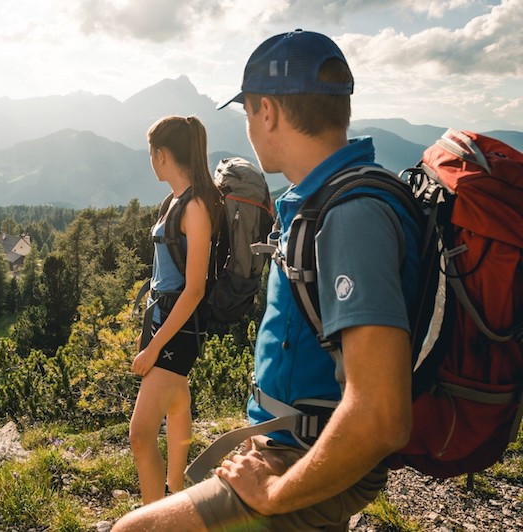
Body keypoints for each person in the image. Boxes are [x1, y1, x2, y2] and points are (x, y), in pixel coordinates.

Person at [114, 29, 421, 531]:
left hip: (300, 456)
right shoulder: (317, 202)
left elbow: (382, 415)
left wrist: (276, 492)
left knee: (133, 529)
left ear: (268, 112)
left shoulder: (349, 216)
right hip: (290, 442)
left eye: (248, 113)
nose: (250, 128)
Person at [129, 115, 222, 504]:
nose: (150, 160)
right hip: (163, 323)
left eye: (151, 153)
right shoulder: (174, 201)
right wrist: (147, 330)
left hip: (178, 330)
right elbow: (164, 276)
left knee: (140, 435)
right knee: (178, 401)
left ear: (162, 155)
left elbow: (194, 289)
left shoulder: (195, 206)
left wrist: (154, 348)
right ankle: (177, 493)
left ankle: (156, 518)